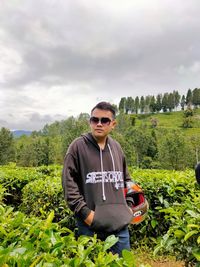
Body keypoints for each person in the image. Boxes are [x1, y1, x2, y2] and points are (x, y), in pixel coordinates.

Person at [62, 101, 134, 256]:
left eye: (104, 120)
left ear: (113, 124)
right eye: (95, 120)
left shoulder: (117, 148)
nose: (99, 124)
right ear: (90, 122)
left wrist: (128, 206)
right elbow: (69, 184)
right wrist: (86, 214)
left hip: (120, 228)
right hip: (90, 227)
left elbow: (127, 180)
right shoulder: (77, 147)